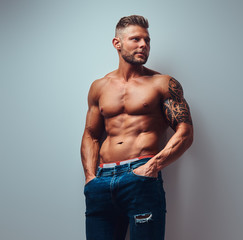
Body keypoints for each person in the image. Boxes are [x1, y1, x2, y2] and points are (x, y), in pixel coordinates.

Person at [80, 15, 194, 240]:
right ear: (117, 43)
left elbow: (185, 131)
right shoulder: (99, 87)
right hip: (101, 179)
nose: (143, 45)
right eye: (135, 39)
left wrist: (152, 167)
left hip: (141, 175)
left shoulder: (163, 83)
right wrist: (90, 177)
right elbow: (91, 135)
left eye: (147, 40)